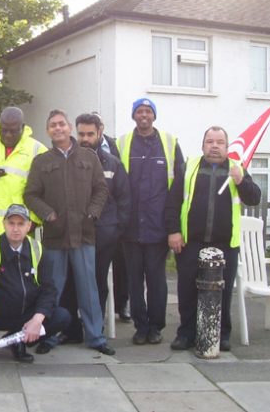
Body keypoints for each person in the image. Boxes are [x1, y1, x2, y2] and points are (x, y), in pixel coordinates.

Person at [24, 109, 114, 355]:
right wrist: (48, 214)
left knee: (89, 288)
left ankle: (96, 337)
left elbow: (101, 189)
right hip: (55, 236)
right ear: (48, 131)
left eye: (62, 124)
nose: (58, 128)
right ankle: (50, 336)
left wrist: (93, 212)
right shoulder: (42, 161)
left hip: (84, 234)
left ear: (69, 128)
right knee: (54, 289)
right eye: (53, 125)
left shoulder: (89, 157)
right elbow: (30, 195)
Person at [165, 126, 261, 352]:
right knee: (187, 290)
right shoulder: (188, 167)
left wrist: (241, 181)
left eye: (219, 142)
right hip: (191, 243)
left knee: (223, 291)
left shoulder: (237, 169)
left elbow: (254, 198)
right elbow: (172, 202)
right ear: (202, 145)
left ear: (227, 147)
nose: (214, 146)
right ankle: (186, 332)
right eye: (210, 141)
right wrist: (173, 231)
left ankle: (221, 333)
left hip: (225, 244)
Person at [0, 204, 71, 365]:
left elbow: (48, 290)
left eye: (21, 224)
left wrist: (37, 320)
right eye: (11, 223)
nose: (15, 229)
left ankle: (18, 341)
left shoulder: (38, 249)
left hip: (23, 316)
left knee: (61, 317)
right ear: (4, 224)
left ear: (29, 226)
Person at [117, 98, 185, 345]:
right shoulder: (122, 143)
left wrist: (174, 228)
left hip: (158, 226)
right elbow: (116, 185)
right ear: (133, 116)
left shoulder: (170, 142)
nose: (143, 115)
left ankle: (156, 327)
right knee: (134, 281)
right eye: (139, 112)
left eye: (148, 111)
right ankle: (140, 326)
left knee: (157, 281)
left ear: (154, 116)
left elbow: (179, 187)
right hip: (130, 228)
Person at [76, 113, 131, 324]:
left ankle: (95, 324)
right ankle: (72, 325)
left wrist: (116, 230)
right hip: (75, 233)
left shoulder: (113, 164)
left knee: (98, 280)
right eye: (81, 134)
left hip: (105, 235)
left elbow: (124, 200)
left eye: (90, 134)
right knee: (74, 281)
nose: (86, 139)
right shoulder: (68, 162)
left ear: (100, 133)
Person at [0, 106, 47, 238]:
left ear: (22, 128)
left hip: (22, 232)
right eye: (4, 130)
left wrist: (33, 222)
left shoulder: (38, 150)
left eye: (13, 131)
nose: (8, 135)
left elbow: (46, 191)